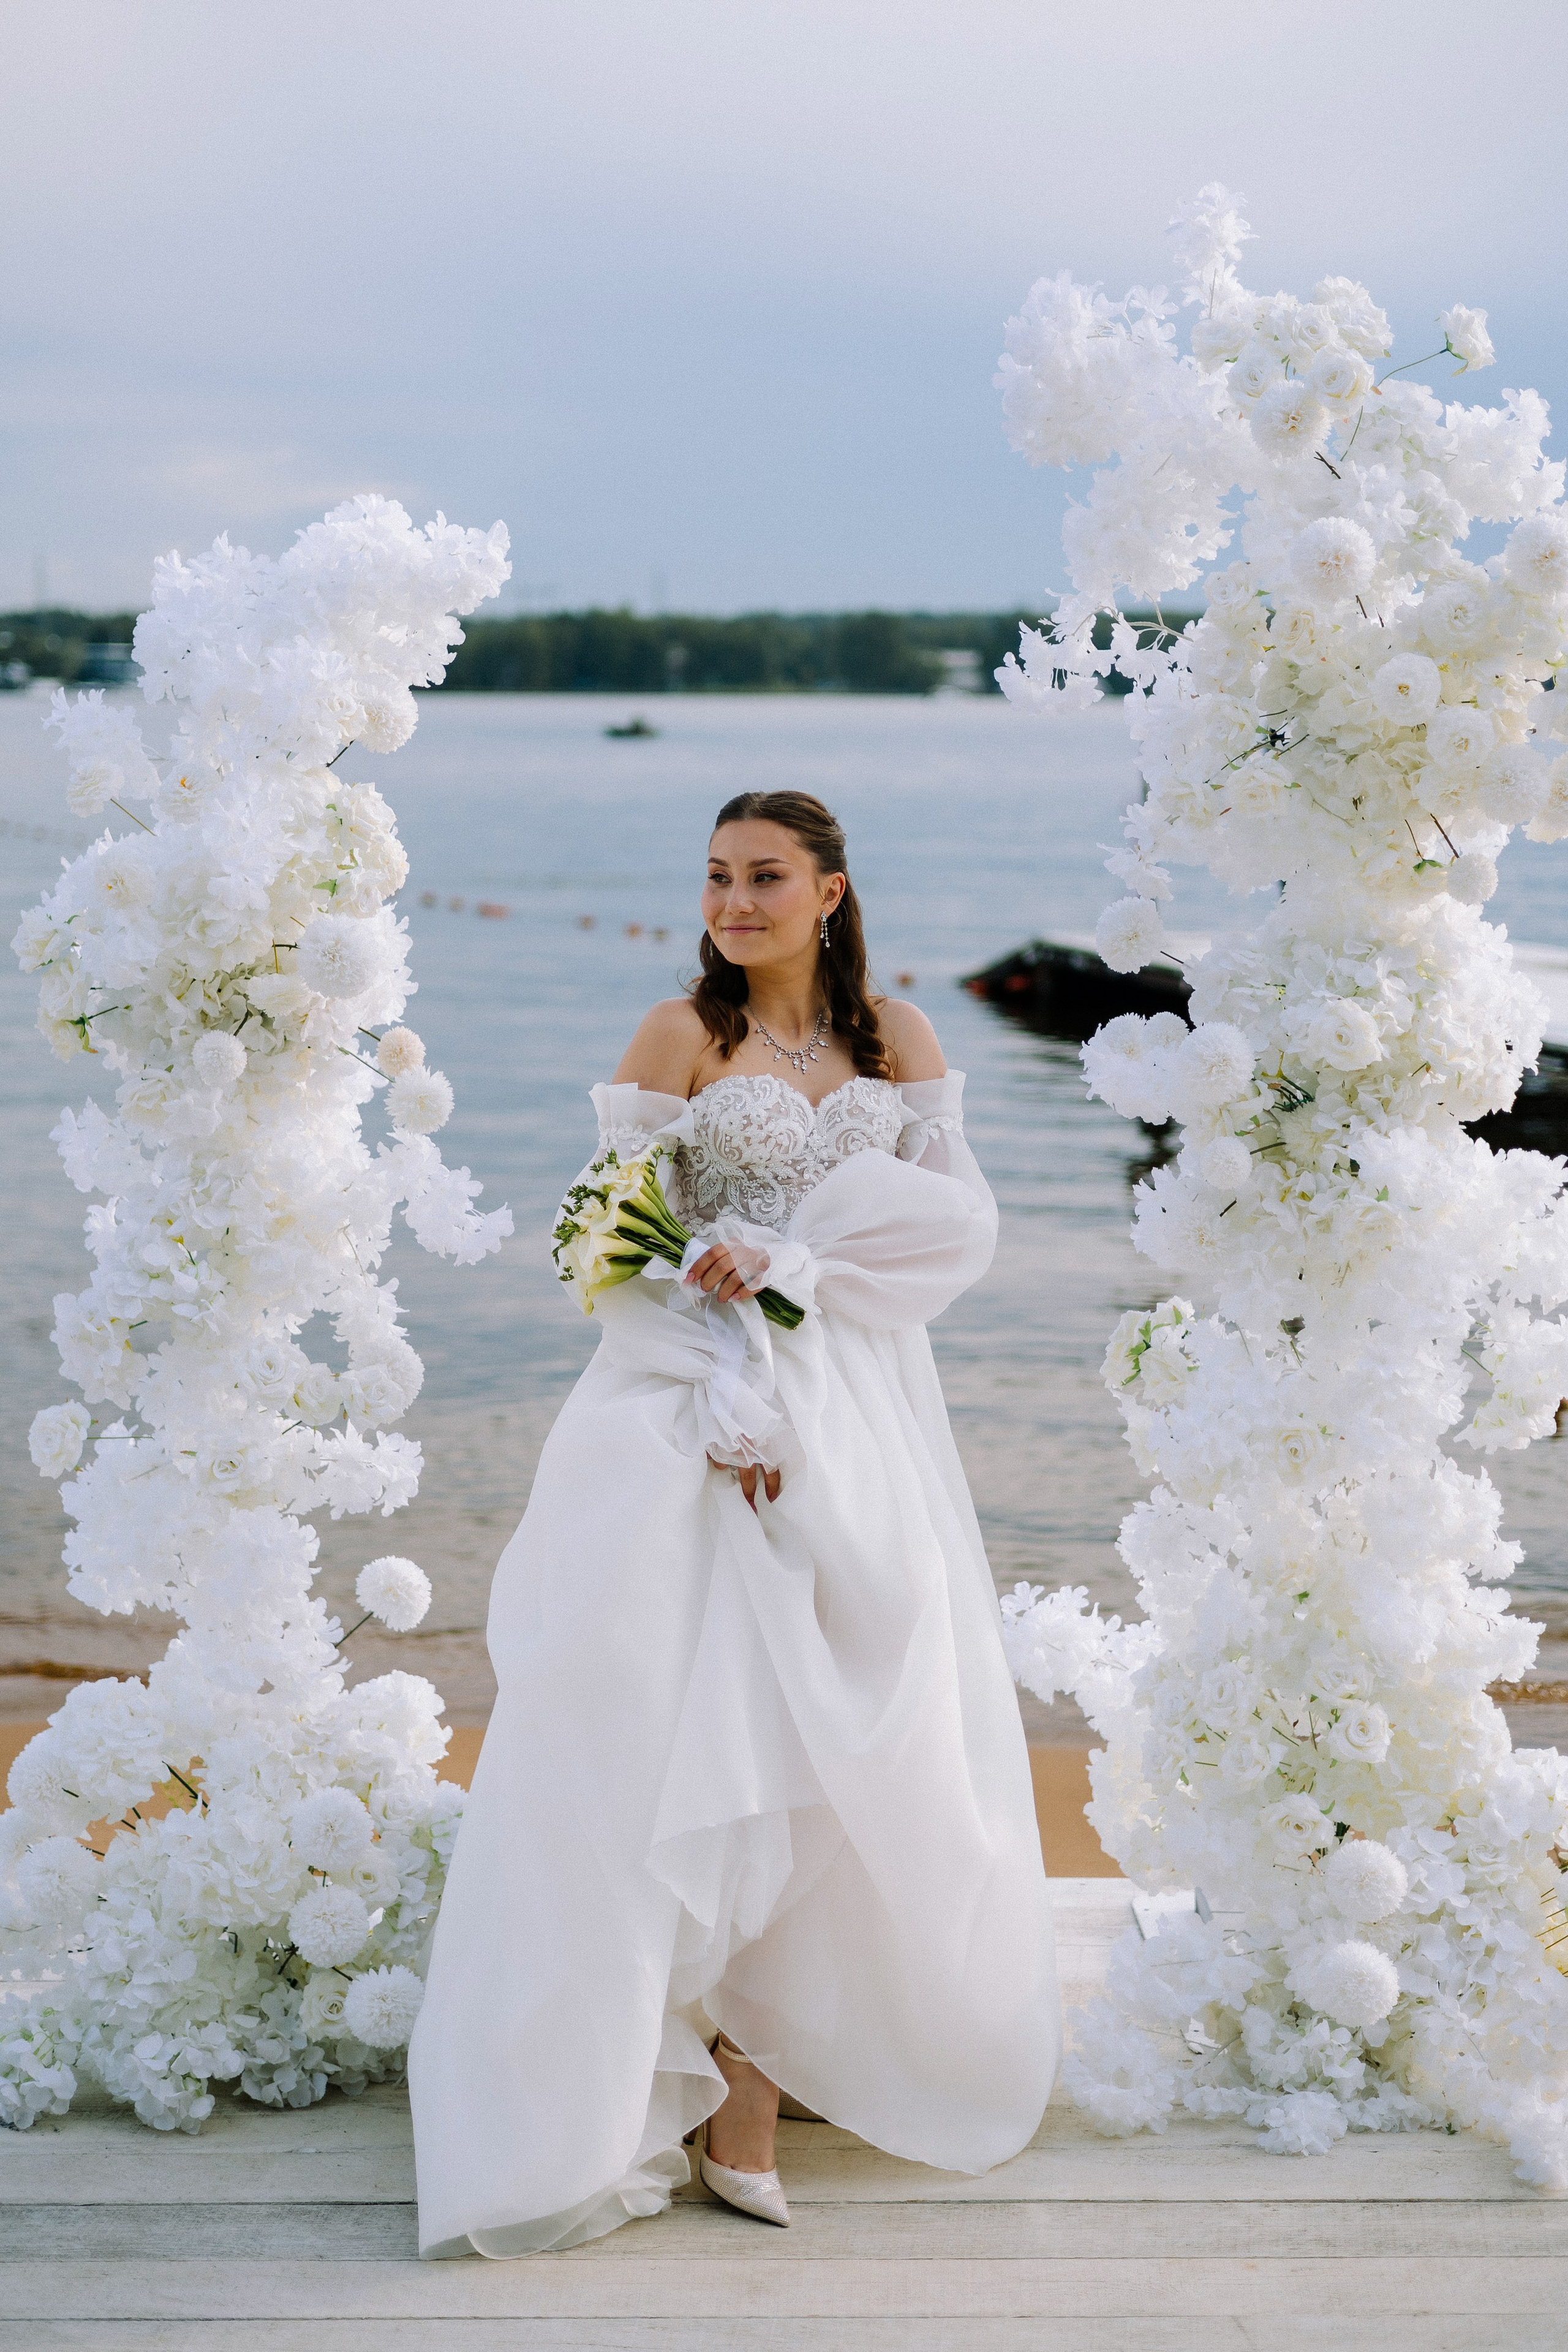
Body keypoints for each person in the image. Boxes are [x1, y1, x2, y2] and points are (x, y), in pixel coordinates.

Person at [409, 789, 1059, 2257]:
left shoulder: (900, 1039)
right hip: (690, 1423)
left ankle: (767, 2074)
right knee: (680, 1745)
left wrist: (805, 1274)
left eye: (764, 877)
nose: (731, 902)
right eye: (714, 876)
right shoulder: (676, 1036)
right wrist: (724, 1377)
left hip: (869, 1419)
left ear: (829, 892)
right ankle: (671, 2082)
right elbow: (601, 1248)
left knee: (855, 1737)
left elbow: (953, 1238)